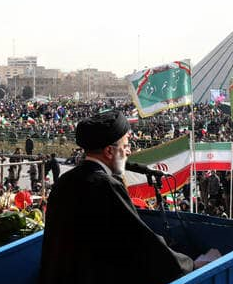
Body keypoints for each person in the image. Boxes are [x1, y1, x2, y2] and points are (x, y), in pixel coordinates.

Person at [39, 110, 218, 284]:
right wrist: (191, 265)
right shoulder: (106, 185)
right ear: (109, 151)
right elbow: (141, 241)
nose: (129, 152)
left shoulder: (65, 181)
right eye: (126, 146)